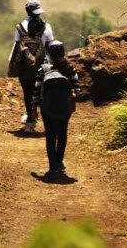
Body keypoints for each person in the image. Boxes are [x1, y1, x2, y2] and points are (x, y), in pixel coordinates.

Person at [33, 41, 79, 181]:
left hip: (47, 108)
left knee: (51, 136)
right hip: (65, 108)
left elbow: (36, 90)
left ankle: (52, 166)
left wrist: (34, 108)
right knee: (62, 133)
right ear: (63, 53)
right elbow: (77, 89)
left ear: (50, 55)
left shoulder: (44, 69)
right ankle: (59, 162)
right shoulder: (70, 68)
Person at [8, 0, 54, 133]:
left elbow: (17, 45)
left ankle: (30, 122)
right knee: (43, 93)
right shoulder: (46, 26)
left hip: (24, 66)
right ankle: (48, 122)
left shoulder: (20, 26)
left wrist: (12, 65)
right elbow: (49, 45)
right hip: (43, 65)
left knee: (27, 93)